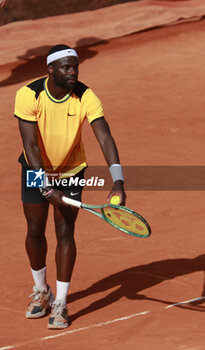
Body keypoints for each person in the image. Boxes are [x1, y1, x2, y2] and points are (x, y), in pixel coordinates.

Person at [14, 44, 126, 329]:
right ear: (50, 69)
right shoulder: (28, 95)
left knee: (65, 231)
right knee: (35, 230)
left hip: (72, 170)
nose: (73, 71)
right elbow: (30, 145)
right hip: (36, 167)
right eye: (66, 67)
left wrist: (118, 180)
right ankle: (42, 292)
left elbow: (105, 138)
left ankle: (61, 303)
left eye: (75, 66)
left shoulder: (86, 96)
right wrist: (46, 188)